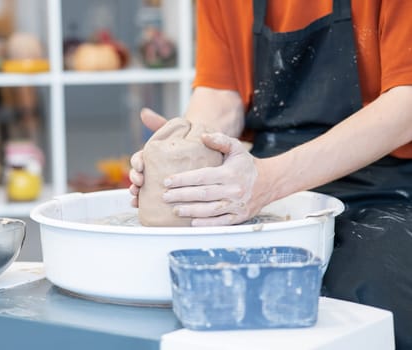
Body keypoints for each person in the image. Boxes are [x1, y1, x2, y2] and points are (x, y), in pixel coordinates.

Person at [129, 0, 412, 348]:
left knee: (372, 295)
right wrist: (188, 151)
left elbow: (407, 103)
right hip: (264, 183)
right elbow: (221, 90)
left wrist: (269, 181)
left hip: (390, 182)